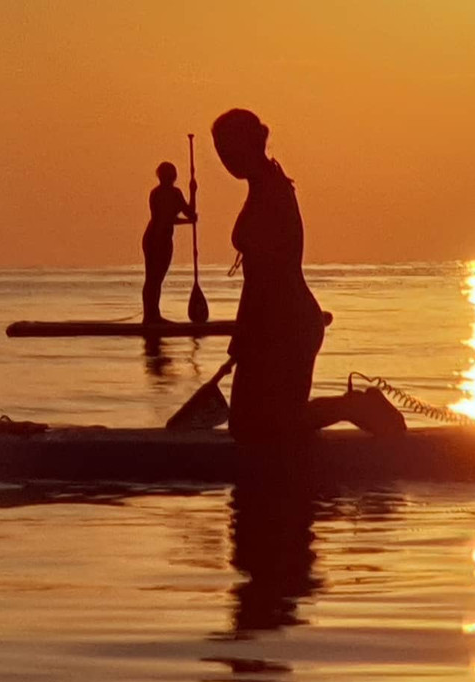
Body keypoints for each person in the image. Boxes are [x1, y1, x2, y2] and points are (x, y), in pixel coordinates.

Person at [211, 108, 405, 445]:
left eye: (226, 149)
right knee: (247, 425)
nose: (223, 159)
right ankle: (351, 408)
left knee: (272, 423)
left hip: (287, 325)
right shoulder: (264, 184)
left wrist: (245, 334)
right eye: (219, 151)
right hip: (275, 322)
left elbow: (267, 279)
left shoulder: (271, 191)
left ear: (247, 144)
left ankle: (355, 406)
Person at [141, 161, 196, 323]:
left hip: (163, 238)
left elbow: (190, 213)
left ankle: (152, 315)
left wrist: (193, 192)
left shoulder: (176, 193)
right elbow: (165, 219)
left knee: (156, 278)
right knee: (153, 278)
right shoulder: (157, 194)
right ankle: (151, 315)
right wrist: (188, 221)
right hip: (155, 238)